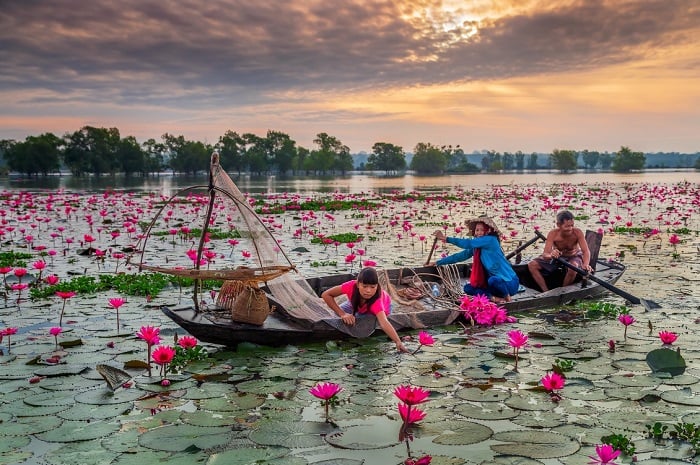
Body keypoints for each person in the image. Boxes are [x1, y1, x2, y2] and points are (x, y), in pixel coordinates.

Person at [432, 215, 519, 303]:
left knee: (494, 280)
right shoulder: (476, 247)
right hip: (492, 284)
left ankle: (507, 297)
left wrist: (445, 238)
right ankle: (495, 298)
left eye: (482, 230)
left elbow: (468, 243)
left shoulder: (491, 240)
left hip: (509, 284)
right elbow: (459, 256)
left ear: (488, 230)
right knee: (468, 288)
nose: (479, 233)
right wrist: (438, 262)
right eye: (477, 230)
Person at [321, 267, 408, 353]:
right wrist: (342, 314)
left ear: (377, 286)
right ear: (358, 284)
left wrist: (397, 341)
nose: (368, 291)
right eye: (365, 286)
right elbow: (326, 295)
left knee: (363, 321)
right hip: (355, 304)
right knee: (335, 314)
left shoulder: (377, 302)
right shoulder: (351, 286)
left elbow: (384, 322)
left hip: (378, 308)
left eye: (372, 287)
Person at [528, 210, 592, 292]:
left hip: (573, 256)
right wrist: (551, 255)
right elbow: (545, 254)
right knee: (532, 265)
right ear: (558, 225)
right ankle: (545, 291)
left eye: (572, 225)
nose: (570, 228)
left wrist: (586, 264)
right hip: (558, 258)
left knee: (574, 266)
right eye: (567, 226)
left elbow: (586, 251)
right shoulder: (553, 234)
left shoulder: (577, 232)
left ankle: (562, 291)